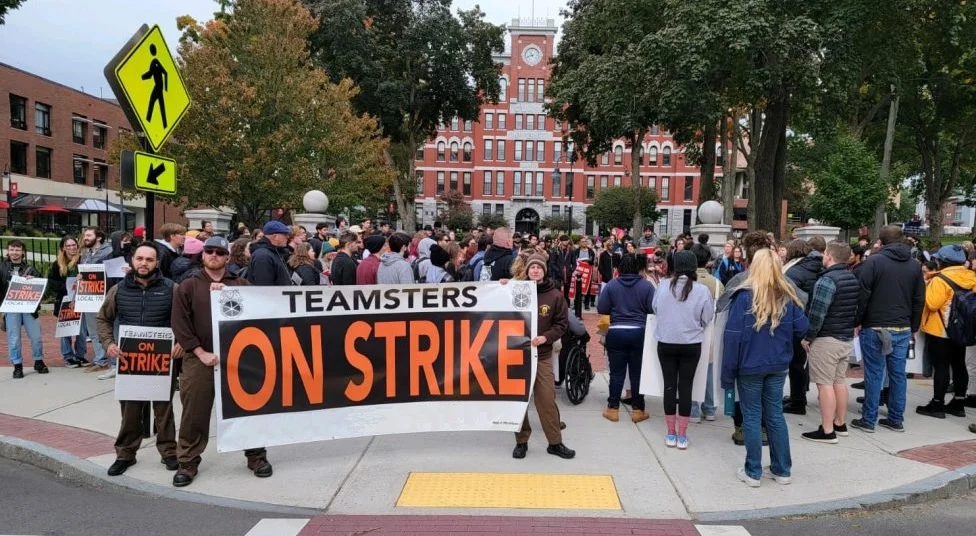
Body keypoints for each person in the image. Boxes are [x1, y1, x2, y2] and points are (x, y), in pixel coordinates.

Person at [171, 236, 271, 487]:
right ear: (202, 254)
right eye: (209, 251)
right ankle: (188, 461)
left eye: (219, 252)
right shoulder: (189, 286)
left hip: (237, 359)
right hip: (199, 359)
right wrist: (199, 351)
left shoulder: (241, 284)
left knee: (247, 407)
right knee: (194, 411)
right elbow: (180, 324)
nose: (213, 255)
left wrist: (229, 295)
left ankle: (256, 455)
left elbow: (256, 316)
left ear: (228, 257)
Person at [723, 249, 808, 487]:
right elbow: (803, 328)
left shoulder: (743, 297)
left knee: (751, 416)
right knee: (775, 415)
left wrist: (727, 374)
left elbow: (732, 338)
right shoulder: (787, 296)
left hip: (749, 364)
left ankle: (753, 471)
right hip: (778, 363)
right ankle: (782, 469)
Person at [96, 243, 180, 476]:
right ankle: (125, 454)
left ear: (157, 263)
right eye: (140, 258)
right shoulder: (119, 290)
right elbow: (103, 319)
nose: (144, 263)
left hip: (163, 357)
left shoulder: (172, 289)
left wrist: (181, 342)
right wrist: (108, 344)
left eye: (149, 260)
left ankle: (169, 452)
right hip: (130, 358)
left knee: (163, 409)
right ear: (133, 260)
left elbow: (186, 318)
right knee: (130, 410)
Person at [852, 225, 925, 434]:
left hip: (875, 325)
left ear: (881, 242)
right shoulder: (914, 265)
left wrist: (858, 320)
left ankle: (869, 418)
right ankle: (895, 418)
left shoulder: (873, 262)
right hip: (902, 326)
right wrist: (914, 326)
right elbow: (919, 299)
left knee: (874, 373)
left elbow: (863, 294)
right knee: (898, 374)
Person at [511, 253, 575, 460]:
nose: (535, 270)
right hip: (518, 355)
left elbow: (561, 325)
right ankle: (522, 441)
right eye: (532, 267)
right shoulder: (515, 290)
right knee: (518, 401)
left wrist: (545, 338)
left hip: (543, 355)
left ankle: (554, 442)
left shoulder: (555, 295)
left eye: (539, 267)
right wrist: (502, 285)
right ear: (527, 270)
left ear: (544, 270)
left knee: (546, 399)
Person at [653, 250, 714, 449]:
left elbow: (655, 309)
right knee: (686, 387)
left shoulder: (662, 286)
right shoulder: (702, 290)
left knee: (669, 386)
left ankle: (670, 432)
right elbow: (707, 317)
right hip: (691, 344)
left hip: (667, 342)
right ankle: (682, 435)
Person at [800, 242, 859, 444]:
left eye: (825, 253)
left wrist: (808, 337)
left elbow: (817, 313)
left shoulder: (827, 281)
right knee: (839, 382)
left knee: (824, 385)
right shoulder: (852, 277)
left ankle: (827, 430)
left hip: (827, 338)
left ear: (830, 256)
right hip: (845, 337)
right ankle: (839, 423)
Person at [916, 245, 976, 419]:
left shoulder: (940, 280)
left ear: (943, 261)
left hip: (940, 329)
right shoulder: (972, 277)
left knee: (941, 366)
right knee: (959, 364)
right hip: (963, 329)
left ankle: (937, 404)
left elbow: (932, 304)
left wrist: (927, 285)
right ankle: (958, 402)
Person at [597, 253, 656, 423]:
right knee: (637, 373)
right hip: (639, 331)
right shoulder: (646, 286)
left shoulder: (612, 285)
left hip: (616, 331)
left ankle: (612, 408)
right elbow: (653, 309)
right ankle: (638, 409)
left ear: (620, 267)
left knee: (617, 373)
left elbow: (602, 307)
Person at [782, 238, 824, 415]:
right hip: (812, 318)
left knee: (796, 363)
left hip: (798, 319)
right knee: (802, 362)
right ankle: (797, 396)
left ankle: (798, 401)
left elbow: (789, 297)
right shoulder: (817, 266)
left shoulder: (794, 271)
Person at [1, 240, 46, 378]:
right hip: (11, 308)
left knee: (36, 337)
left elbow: (42, 288)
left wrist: (33, 279)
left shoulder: (31, 269)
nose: (15, 252)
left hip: (29, 309)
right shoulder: (1, 267)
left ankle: (38, 361)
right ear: (8, 251)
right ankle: (17, 365)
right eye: (12, 250)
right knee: (13, 338)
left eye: (17, 250)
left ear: (23, 252)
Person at [80, 227, 117, 376]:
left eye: (89, 235)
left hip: (103, 295)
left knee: (107, 328)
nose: (85, 238)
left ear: (99, 237)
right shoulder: (86, 255)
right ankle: (100, 360)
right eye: (85, 235)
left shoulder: (108, 252)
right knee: (93, 330)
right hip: (89, 295)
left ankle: (113, 362)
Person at [48, 236, 88, 367]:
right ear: (63, 248)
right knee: (66, 330)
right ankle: (68, 356)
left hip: (81, 300)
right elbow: (52, 282)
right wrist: (66, 285)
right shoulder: (57, 264)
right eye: (68, 245)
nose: (72, 248)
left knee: (82, 331)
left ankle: (80, 355)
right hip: (64, 301)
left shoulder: (84, 261)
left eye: (74, 245)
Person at [247, 221, 292, 286]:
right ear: (275, 236)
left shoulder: (275, 252)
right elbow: (264, 286)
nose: (288, 237)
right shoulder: (263, 256)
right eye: (285, 234)